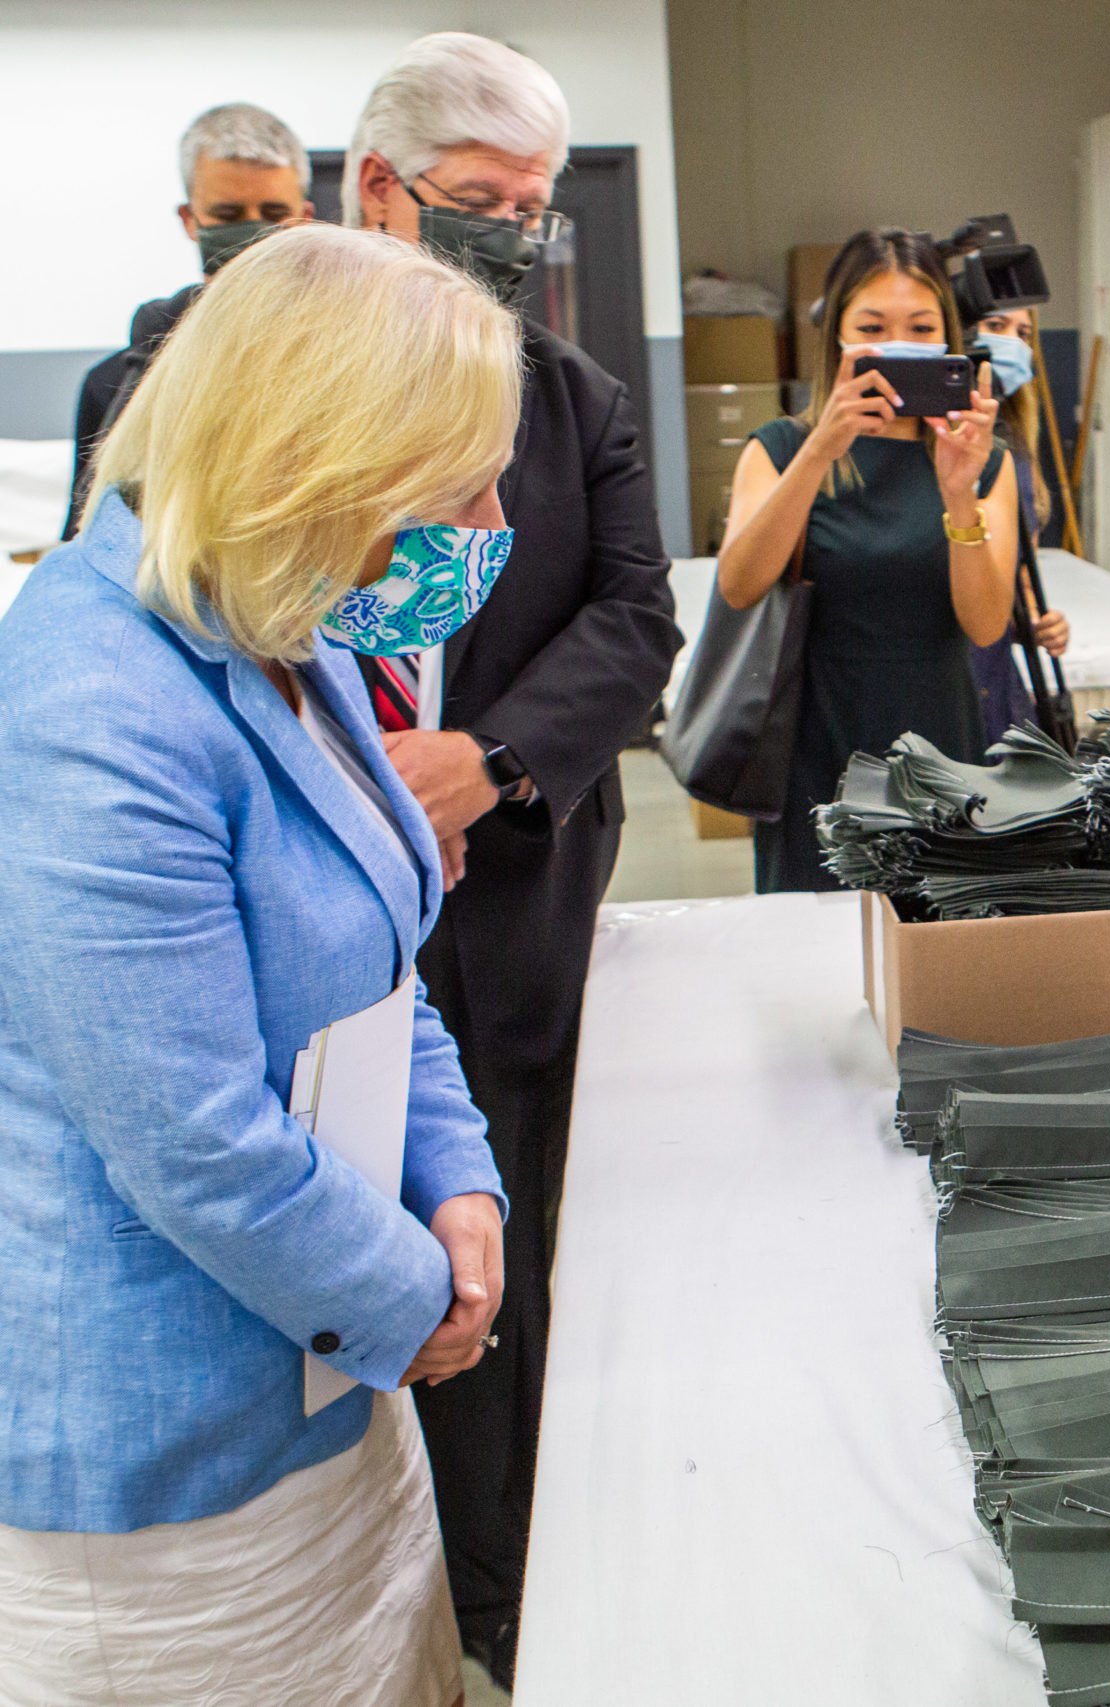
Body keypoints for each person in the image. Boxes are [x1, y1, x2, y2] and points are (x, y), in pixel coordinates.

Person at [0, 224, 514, 1707]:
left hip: (337, 1379)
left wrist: (459, 1178)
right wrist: (420, 1293)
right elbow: (195, 1144)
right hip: (176, 1486)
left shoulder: (299, 620)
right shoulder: (89, 709)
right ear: (319, 466)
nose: (487, 521)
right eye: (457, 486)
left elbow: (382, 950)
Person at [343, 32, 683, 1683]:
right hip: (325, 904)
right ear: (377, 195)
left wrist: (485, 761)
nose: (510, 240)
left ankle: (514, 1576)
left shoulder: (578, 402)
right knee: (357, 1220)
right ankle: (400, 1551)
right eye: (476, 205)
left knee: (517, 1218)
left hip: (522, 884)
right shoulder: (260, 382)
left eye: (531, 211)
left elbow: (637, 619)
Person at [718, 228, 1020, 890]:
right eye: (873, 325)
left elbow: (988, 624)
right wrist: (821, 449)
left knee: (938, 951)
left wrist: (957, 494)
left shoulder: (986, 462)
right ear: (837, 336)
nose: (897, 344)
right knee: (814, 957)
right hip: (816, 744)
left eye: (920, 326)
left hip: (942, 744)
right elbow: (739, 585)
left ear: (947, 336)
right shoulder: (779, 448)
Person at [63, 102, 317, 534]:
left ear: (306, 220)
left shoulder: (346, 366)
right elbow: (84, 540)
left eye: (274, 215)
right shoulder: (116, 384)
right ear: (189, 219)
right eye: (228, 215)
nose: (253, 232)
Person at [972, 302, 1071, 744]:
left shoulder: (1016, 449)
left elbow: (1017, 581)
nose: (1011, 341)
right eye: (995, 326)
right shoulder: (930, 443)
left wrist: (1036, 621)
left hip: (995, 678)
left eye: (1023, 333)